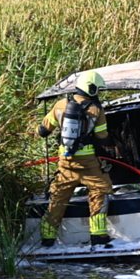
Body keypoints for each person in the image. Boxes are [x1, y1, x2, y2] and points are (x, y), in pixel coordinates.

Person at [37, 70, 113, 247]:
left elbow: (43, 130)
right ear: (91, 88)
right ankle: (98, 235)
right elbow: (102, 138)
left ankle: (47, 237)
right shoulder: (96, 109)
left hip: (65, 162)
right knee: (100, 190)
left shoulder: (60, 104)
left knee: (58, 197)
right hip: (87, 163)